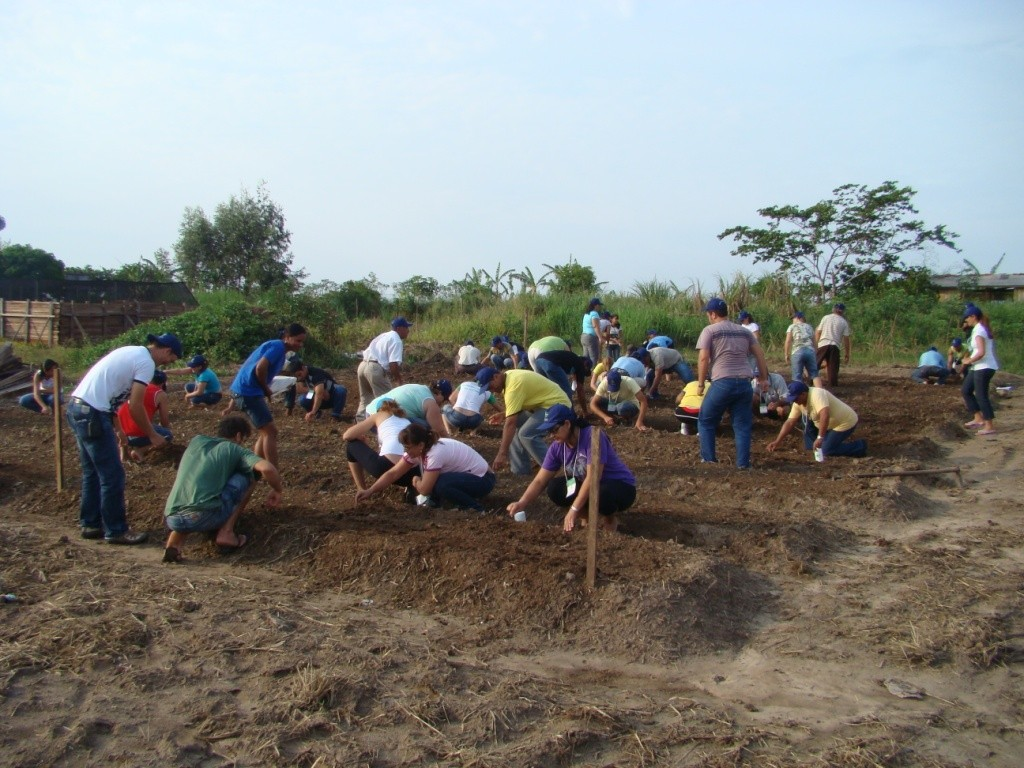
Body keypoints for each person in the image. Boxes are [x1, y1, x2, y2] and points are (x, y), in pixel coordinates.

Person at [66, 331, 182, 544]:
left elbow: (111, 393)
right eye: (171, 358)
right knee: (113, 475)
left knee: (92, 472)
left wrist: (118, 429)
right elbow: (135, 405)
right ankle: (116, 530)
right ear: (166, 350)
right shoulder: (146, 363)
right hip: (92, 413)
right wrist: (152, 435)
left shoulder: (132, 352)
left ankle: (91, 524)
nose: (168, 363)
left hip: (77, 408)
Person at [161, 416, 283, 563]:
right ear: (238, 436)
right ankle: (226, 532)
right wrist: (277, 490)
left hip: (172, 517)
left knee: (196, 492)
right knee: (248, 475)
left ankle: (174, 543)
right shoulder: (235, 449)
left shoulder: (197, 441)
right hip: (203, 516)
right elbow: (267, 469)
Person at [506, 404, 636, 533]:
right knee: (555, 487)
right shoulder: (557, 447)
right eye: (548, 431)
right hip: (586, 483)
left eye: (554, 429)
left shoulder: (593, 437)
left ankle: (610, 519)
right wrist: (521, 503)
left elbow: (593, 478)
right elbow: (540, 481)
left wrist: (574, 509)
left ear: (567, 424)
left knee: (602, 493)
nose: (551, 435)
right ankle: (586, 517)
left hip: (619, 485)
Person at [695, 298, 769, 469]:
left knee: (706, 420)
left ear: (713, 314)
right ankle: (743, 464)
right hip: (744, 382)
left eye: (708, 314)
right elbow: (759, 355)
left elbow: (704, 358)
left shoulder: (710, 331)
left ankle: (709, 460)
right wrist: (764, 378)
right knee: (742, 425)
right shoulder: (744, 332)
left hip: (723, 381)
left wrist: (700, 383)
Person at [356, 424, 496, 512]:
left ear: (420, 445)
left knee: (441, 484)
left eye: (408, 447)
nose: (406, 451)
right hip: (472, 477)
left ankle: (476, 509)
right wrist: (371, 490)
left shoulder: (434, 453)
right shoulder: (419, 451)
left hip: (484, 479)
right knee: (437, 481)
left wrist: (416, 480)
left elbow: (424, 489)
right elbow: (393, 473)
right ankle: (448, 505)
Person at [228, 323, 307, 467]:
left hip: (247, 391)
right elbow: (260, 368)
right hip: (248, 392)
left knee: (265, 432)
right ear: (287, 337)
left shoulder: (280, 350)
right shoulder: (277, 347)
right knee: (271, 432)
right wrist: (265, 389)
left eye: (302, 341)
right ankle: (272, 470)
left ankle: (257, 468)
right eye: (298, 340)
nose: (300, 345)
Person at [477, 367, 572, 475]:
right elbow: (517, 408)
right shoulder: (507, 377)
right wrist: (504, 415)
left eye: (490, 386)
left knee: (526, 434)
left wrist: (502, 454)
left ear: (495, 377)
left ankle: (556, 469)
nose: (491, 390)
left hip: (557, 405)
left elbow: (510, 424)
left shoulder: (513, 386)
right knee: (516, 424)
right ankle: (520, 471)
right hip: (541, 405)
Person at [767, 381, 867, 458]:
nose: (795, 402)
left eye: (796, 398)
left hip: (844, 422)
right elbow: (790, 422)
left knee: (825, 450)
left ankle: (859, 446)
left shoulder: (817, 395)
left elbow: (825, 415)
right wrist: (777, 441)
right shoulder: (798, 402)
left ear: (804, 394)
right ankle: (824, 440)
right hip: (824, 424)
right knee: (811, 446)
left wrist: (820, 438)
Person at [342, 398, 418, 499]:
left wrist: (359, 437)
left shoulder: (380, 414)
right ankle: (412, 489)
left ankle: (361, 488)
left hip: (387, 467)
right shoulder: (406, 421)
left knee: (351, 445)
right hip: (412, 473)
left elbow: (347, 435)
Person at [356, 317, 411, 420]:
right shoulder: (396, 340)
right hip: (374, 368)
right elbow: (393, 364)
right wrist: (398, 380)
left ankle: (360, 424)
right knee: (387, 401)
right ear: (399, 328)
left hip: (363, 365)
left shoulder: (384, 335)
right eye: (406, 328)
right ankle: (387, 424)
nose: (408, 331)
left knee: (365, 399)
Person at [116, 370, 173, 461]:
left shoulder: (134, 388)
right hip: (136, 435)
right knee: (167, 435)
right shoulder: (160, 394)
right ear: (163, 383)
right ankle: (140, 451)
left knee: (125, 419)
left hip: (120, 435)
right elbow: (164, 421)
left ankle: (124, 454)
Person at [961, 305, 999, 436]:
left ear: (973, 317)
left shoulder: (978, 330)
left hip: (984, 367)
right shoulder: (978, 328)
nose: (966, 320)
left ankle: (989, 426)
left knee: (981, 396)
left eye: (967, 317)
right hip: (978, 366)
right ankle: (978, 418)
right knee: (966, 390)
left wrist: (968, 361)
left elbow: (981, 352)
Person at [365, 381, 451, 436]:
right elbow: (439, 431)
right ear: (439, 393)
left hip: (369, 414)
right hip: (383, 419)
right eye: (444, 399)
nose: (442, 403)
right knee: (426, 429)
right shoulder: (431, 403)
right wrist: (452, 444)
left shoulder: (420, 388)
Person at [281, 358, 347, 421]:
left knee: (341, 390)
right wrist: (315, 390)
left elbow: (319, 393)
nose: (299, 378)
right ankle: (316, 413)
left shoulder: (315, 373)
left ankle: (335, 415)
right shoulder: (302, 376)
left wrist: (313, 410)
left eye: (299, 375)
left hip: (331, 395)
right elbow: (299, 389)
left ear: (303, 368)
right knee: (303, 399)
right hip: (316, 393)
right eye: (296, 376)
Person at [532, 346, 590, 413]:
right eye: (585, 371)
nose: (583, 374)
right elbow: (580, 390)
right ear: (585, 364)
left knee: (546, 391)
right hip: (550, 363)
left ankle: (545, 414)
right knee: (566, 391)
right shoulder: (580, 365)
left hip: (538, 361)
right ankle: (569, 415)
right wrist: (585, 412)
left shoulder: (573, 359)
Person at [815, 303, 852, 387]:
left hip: (823, 344)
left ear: (834, 309)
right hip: (835, 346)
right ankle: (833, 385)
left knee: (815, 364)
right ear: (842, 312)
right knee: (833, 367)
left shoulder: (826, 318)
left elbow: (818, 331)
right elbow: (846, 339)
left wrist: (815, 345)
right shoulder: (844, 322)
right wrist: (847, 353)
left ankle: (811, 381)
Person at [784, 310, 821, 386]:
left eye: (793, 318)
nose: (792, 320)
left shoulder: (792, 326)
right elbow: (814, 341)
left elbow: (788, 341)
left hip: (797, 351)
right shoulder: (809, 327)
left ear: (798, 318)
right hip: (810, 351)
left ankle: (798, 395)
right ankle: (820, 393)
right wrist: (815, 351)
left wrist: (786, 354)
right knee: (814, 374)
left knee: (797, 376)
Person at [580, 297, 603, 364]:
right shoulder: (594, 314)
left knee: (585, 357)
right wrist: (600, 337)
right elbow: (595, 326)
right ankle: (593, 372)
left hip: (584, 336)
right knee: (594, 357)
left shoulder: (586, 314)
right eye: (599, 305)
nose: (599, 307)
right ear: (596, 305)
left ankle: (584, 372)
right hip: (591, 337)